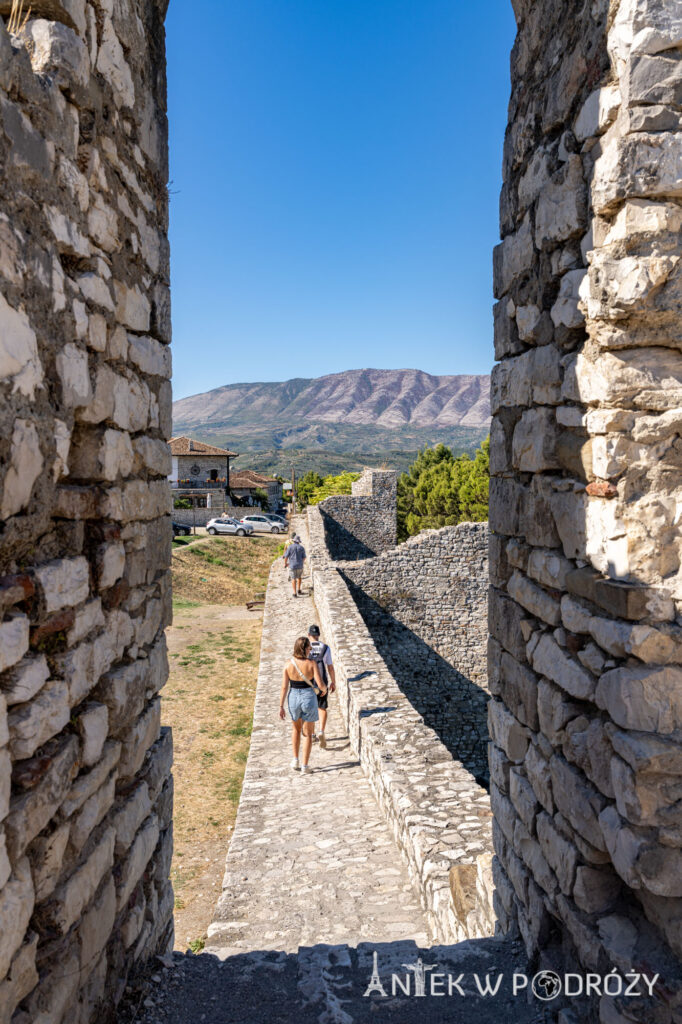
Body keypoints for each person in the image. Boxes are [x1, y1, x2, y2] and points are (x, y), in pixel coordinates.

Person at [279, 636, 326, 773]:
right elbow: (320, 684)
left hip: (293, 697)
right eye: (309, 648)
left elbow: (284, 687)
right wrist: (324, 690)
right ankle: (305, 766)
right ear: (304, 649)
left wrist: (281, 706)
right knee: (308, 733)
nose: (310, 650)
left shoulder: (288, 664)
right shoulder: (311, 664)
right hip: (308, 697)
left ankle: (295, 760)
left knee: (296, 729)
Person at [307, 624, 335, 748]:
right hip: (322, 682)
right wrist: (333, 682)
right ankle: (321, 731)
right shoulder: (326, 648)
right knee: (322, 707)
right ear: (318, 635)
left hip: (309, 683)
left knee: (311, 709)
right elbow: (330, 667)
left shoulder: (305, 648)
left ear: (309, 635)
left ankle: (312, 734)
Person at [283, 534, 306, 598]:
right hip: (300, 565)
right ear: (299, 542)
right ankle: (299, 590)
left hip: (292, 565)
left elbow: (286, 556)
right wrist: (301, 562)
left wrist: (285, 563)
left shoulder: (290, 547)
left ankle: (294, 593)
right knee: (299, 577)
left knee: (293, 578)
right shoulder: (302, 548)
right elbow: (304, 557)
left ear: (294, 541)